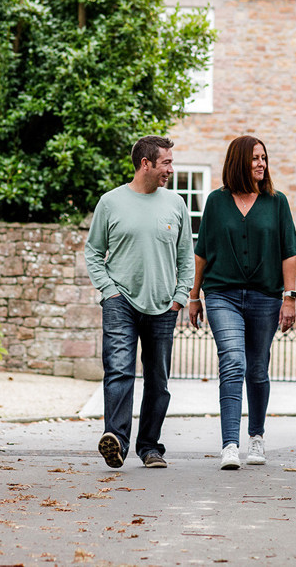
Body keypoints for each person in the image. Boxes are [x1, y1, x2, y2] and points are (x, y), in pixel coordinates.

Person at [188, 135, 296, 470]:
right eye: (255, 158)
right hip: (222, 294)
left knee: (256, 369)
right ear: (239, 161)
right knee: (233, 362)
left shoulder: (276, 202)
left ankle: (256, 436)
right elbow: (201, 254)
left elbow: (289, 254)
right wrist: (194, 296)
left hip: (265, 297)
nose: (261, 164)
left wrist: (289, 298)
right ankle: (229, 444)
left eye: (264, 158)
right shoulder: (216, 201)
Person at [84, 135, 194, 469]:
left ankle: (150, 447)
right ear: (145, 164)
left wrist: (179, 297)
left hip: (163, 305)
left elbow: (186, 256)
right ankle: (115, 438)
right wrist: (108, 289)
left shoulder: (175, 204)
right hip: (120, 300)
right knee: (119, 370)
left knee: (158, 380)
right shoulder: (111, 202)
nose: (171, 170)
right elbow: (93, 251)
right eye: (166, 163)